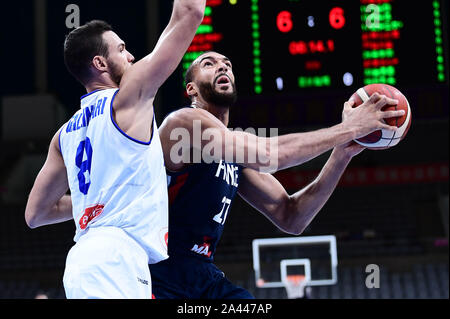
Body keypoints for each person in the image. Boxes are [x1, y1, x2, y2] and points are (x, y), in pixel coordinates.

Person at [149, 51, 404, 299]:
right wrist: (348, 128)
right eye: (209, 63)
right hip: (159, 272)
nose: (222, 67)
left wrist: (341, 155)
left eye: (227, 63)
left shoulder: (235, 150)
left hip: (202, 275)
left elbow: (292, 216)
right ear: (191, 89)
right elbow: (271, 155)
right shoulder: (182, 123)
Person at [24, 1, 206, 299]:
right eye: (121, 49)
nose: (131, 55)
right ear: (100, 63)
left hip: (86, 261)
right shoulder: (127, 100)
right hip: (115, 259)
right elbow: (189, 13)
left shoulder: (63, 135)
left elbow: (36, 213)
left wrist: (97, 198)